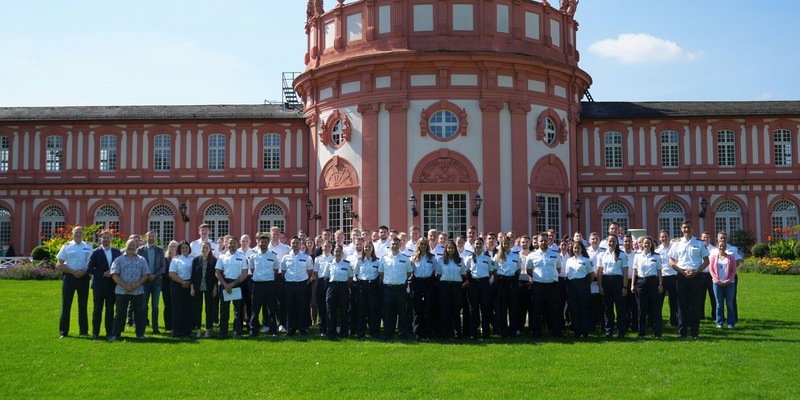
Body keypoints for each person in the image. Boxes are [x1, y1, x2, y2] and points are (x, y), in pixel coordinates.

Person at [668, 220, 710, 339]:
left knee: (695, 305)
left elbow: (707, 261)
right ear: (681, 229)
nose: (686, 229)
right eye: (684, 228)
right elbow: (671, 261)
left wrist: (696, 272)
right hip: (681, 276)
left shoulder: (699, 243)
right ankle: (682, 333)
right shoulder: (676, 243)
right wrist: (682, 272)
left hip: (696, 276)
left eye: (688, 227)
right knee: (682, 305)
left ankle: (695, 333)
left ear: (692, 229)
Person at [108, 238, 152, 342]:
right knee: (119, 314)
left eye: (133, 245)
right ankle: (116, 335)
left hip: (138, 291)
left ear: (136, 247)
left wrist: (136, 285)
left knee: (139, 314)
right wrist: (124, 286)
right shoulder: (118, 259)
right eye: (129, 245)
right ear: (126, 246)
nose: (131, 247)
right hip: (121, 291)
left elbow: (146, 274)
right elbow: (114, 274)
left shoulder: (142, 260)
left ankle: (140, 334)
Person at [56, 225, 94, 338]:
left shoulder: (89, 247)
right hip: (69, 277)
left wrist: (84, 272)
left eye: (80, 232)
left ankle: (84, 331)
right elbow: (59, 263)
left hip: (84, 277)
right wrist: (73, 272)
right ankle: (63, 332)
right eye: (76, 232)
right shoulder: (66, 246)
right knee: (66, 304)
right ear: (72, 233)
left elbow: (92, 264)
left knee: (83, 305)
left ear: (83, 234)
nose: (78, 234)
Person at [86, 230, 122, 339]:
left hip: (112, 285)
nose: (106, 239)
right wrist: (103, 274)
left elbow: (120, 266)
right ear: (100, 239)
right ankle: (95, 333)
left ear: (111, 238)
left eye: (107, 237)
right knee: (98, 309)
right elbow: (89, 269)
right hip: (99, 286)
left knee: (110, 310)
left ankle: (109, 333)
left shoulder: (116, 252)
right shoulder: (95, 252)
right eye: (104, 238)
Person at [526, 233, 563, 339]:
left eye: (545, 240)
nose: (543, 242)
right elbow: (529, 270)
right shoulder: (532, 255)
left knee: (555, 309)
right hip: (538, 286)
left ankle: (556, 332)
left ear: (549, 241)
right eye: (541, 241)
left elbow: (559, 269)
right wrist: (539, 278)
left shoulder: (555, 254)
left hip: (553, 285)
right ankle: (536, 332)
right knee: (536, 310)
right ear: (537, 242)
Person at [379, 237, 413, 340]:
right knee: (388, 312)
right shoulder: (384, 258)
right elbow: (381, 273)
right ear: (390, 245)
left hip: (401, 289)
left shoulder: (405, 258)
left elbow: (409, 273)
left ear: (400, 245)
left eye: (396, 244)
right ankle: (388, 333)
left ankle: (403, 333)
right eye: (393, 244)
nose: (394, 246)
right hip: (388, 289)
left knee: (402, 312)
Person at [279, 236, 313, 336]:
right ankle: (290, 329)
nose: (295, 245)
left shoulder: (306, 257)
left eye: (297, 243)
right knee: (290, 308)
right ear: (291, 244)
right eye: (293, 243)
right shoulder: (285, 257)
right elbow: (283, 271)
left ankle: (302, 329)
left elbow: (310, 272)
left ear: (300, 244)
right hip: (289, 285)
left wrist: (304, 281)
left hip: (302, 284)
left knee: (302, 307)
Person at [215, 236, 248, 339]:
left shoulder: (242, 256)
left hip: (237, 284)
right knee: (224, 309)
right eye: (230, 243)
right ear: (227, 244)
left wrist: (233, 284)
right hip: (225, 284)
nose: (232, 245)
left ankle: (237, 331)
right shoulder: (222, 256)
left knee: (238, 309)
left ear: (237, 244)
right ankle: (223, 332)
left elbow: (244, 273)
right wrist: (225, 284)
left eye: (234, 243)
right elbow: (217, 272)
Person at [596, 235, 629, 338]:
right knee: (607, 308)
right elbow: (600, 271)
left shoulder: (622, 255)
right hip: (606, 281)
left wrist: (624, 287)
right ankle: (608, 331)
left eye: (613, 241)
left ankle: (621, 332)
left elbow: (625, 272)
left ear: (616, 242)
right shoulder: (602, 255)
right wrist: (600, 286)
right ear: (607, 242)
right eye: (610, 241)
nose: (611, 243)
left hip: (618, 282)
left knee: (620, 308)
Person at [631, 235, 663, 338]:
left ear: (651, 245)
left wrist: (660, 284)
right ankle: (641, 333)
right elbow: (634, 271)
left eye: (649, 243)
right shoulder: (638, 256)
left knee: (656, 308)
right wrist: (632, 285)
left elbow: (659, 271)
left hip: (653, 282)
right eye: (645, 243)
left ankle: (657, 333)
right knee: (641, 309)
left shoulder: (656, 256)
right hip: (641, 282)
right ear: (642, 244)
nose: (646, 245)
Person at [249, 233, 280, 337]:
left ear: (268, 243)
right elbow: (252, 269)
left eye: (265, 242)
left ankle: (273, 331)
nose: (263, 244)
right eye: (261, 242)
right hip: (257, 285)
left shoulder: (273, 255)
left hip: (269, 285)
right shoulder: (253, 256)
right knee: (255, 309)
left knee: (271, 308)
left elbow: (276, 270)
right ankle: (253, 330)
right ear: (258, 242)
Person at [137, 231, 166, 334]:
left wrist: (155, 275)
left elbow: (163, 265)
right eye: (149, 236)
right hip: (144, 282)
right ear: (146, 237)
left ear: (156, 238)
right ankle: (143, 326)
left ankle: (155, 327)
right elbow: (138, 265)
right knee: (144, 306)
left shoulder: (159, 250)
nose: (151, 238)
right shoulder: (140, 250)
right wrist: (147, 275)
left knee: (155, 306)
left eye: (153, 236)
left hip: (156, 281)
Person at [465, 237, 494, 339]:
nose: (478, 245)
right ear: (474, 245)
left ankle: (486, 333)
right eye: (476, 244)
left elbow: (490, 272)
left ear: (483, 245)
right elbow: (466, 272)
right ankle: (473, 333)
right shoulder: (469, 258)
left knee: (485, 308)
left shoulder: (487, 258)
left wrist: (483, 280)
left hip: (484, 284)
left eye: (480, 244)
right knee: (473, 310)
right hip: (473, 284)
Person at [565, 240, 595, 339]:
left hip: (583, 285)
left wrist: (586, 284)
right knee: (574, 308)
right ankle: (576, 331)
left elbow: (592, 274)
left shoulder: (587, 260)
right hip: (572, 285)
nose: (576, 250)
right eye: (574, 248)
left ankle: (584, 331)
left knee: (584, 308)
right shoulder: (569, 260)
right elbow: (567, 274)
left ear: (582, 249)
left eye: (578, 248)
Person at [436, 241, 466, 339]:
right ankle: (444, 333)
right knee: (445, 310)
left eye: (452, 248)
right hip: (445, 286)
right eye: (448, 248)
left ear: (455, 249)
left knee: (456, 310)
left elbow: (463, 274)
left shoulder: (460, 261)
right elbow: (439, 275)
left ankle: (457, 333)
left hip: (456, 286)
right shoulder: (441, 261)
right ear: (446, 249)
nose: (450, 250)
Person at [324, 245, 354, 339]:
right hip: (332, 286)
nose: (338, 253)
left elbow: (350, 277)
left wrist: (345, 286)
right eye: (336, 251)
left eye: (340, 251)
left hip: (343, 287)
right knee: (330, 310)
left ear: (342, 253)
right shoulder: (329, 263)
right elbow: (326, 276)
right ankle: (331, 332)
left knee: (344, 310)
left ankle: (343, 332)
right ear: (333, 252)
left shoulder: (346, 264)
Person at [409, 238, 437, 340]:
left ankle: (428, 332)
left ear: (427, 245)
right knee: (417, 308)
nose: (423, 246)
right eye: (421, 244)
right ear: (418, 245)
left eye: (425, 244)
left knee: (428, 308)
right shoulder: (413, 258)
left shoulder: (432, 258)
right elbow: (411, 272)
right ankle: (417, 332)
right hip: (417, 283)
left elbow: (434, 271)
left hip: (428, 283)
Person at [493, 237, 521, 337]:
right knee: (502, 307)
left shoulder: (516, 256)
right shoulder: (497, 256)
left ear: (511, 243)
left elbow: (519, 270)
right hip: (501, 282)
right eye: (504, 243)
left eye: (507, 243)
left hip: (512, 282)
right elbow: (495, 272)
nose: (506, 245)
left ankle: (513, 330)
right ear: (501, 244)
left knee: (513, 307)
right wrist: (497, 283)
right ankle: (503, 330)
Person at [354, 240, 382, 339]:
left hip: (373, 287)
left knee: (373, 310)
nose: (367, 249)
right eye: (366, 247)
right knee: (361, 310)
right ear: (363, 249)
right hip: (362, 286)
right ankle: (361, 332)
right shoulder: (359, 261)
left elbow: (380, 274)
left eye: (369, 247)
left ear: (372, 248)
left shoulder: (377, 261)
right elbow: (356, 274)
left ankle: (374, 332)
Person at [191, 242, 218, 338]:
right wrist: (192, 288)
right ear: (200, 248)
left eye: (207, 248)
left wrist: (215, 288)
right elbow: (192, 275)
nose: (205, 249)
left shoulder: (214, 260)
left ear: (210, 249)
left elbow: (216, 277)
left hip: (209, 287)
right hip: (198, 287)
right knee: (198, 309)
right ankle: (198, 330)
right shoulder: (196, 260)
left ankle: (207, 330)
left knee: (209, 309)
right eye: (203, 248)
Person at [708, 240, 737, 329]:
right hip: (717, 284)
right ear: (717, 247)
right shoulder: (713, 257)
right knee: (719, 304)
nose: (721, 248)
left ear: (725, 247)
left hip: (729, 284)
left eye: (723, 246)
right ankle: (719, 322)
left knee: (729, 303)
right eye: (720, 246)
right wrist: (717, 280)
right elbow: (711, 270)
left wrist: (728, 280)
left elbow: (733, 270)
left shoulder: (731, 257)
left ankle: (730, 323)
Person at [168, 241, 194, 337]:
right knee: (177, 308)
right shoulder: (176, 259)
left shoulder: (193, 259)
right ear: (179, 249)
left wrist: (189, 283)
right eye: (182, 248)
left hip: (190, 285)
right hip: (178, 285)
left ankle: (187, 330)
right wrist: (183, 282)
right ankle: (177, 330)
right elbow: (172, 273)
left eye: (186, 247)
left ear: (189, 248)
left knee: (188, 308)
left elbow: (195, 273)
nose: (185, 249)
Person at [656, 230, 679, 327]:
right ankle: (658, 321)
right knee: (659, 301)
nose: (663, 238)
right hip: (662, 277)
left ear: (669, 237)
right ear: (659, 238)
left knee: (674, 301)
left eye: (665, 236)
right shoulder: (657, 250)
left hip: (673, 276)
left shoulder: (674, 248)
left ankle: (674, 321)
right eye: (662, 237)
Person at [314, 240, 334, 335]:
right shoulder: (318, 259)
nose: (327, 248)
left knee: (329, 306)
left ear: (331, 248)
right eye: (325, 246)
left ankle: (330, 327)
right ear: (322, 247)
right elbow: (316, 272)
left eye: (329, 246)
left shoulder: (334, 258)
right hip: (321, 282)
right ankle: (322, 328)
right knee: (321, 305)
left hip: (331, 282)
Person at [162, 240, 178, 332]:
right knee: (168, 306)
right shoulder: (165, 259)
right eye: (171, 246)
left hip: (177, 286)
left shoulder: (180, 259)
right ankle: (168, 327)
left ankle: (176, 325)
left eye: (174, 246)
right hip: (167, 286)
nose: (172, 248)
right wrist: (172, 278)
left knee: (176, 306)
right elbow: (164, 272)